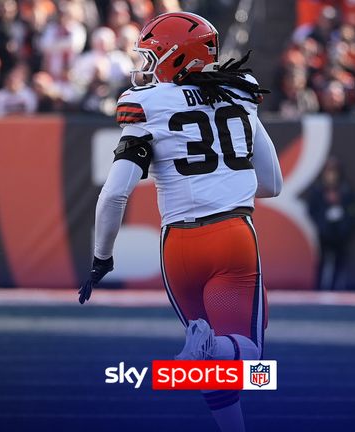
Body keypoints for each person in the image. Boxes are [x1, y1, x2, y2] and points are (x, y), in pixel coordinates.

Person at [77, 12, 281, 432]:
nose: (145, 67)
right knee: (252, 363)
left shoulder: (146, 106)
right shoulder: (239, 94)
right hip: (230, 239)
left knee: (214, 365)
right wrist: (227, 183)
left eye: (152, 58)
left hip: (176, 249)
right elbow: (273, 183)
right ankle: (212, 350)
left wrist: (101, 259)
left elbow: (114, 194)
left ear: (174, 57)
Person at [308, 157, 355, 290]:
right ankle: (319, 288)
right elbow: (312, 210)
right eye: (328, 172)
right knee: (323, 261)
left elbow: (353, 211)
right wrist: (322, 222)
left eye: (333, 172)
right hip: (325, 233)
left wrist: (345, 223)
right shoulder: (318, 191)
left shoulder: (346, 190)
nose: (331, 176)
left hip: (341, 233)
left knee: (340, 262)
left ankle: (337, 288)